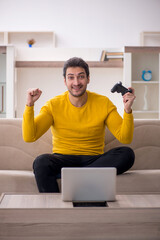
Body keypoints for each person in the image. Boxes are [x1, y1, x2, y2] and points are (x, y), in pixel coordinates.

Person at [22, 57, 136, 193]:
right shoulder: (53, 105)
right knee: (41, 162)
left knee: (127, 154)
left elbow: (125, 138)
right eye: (71, 77)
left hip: (94, 160)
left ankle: (76, 176)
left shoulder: (103, 103)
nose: (76, 82)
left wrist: (127, 110)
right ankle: (55, 208)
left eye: (81, 77)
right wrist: (30, 105)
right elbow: (30, 137)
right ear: (65, 81)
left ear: (88, 78)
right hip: (63, 159)